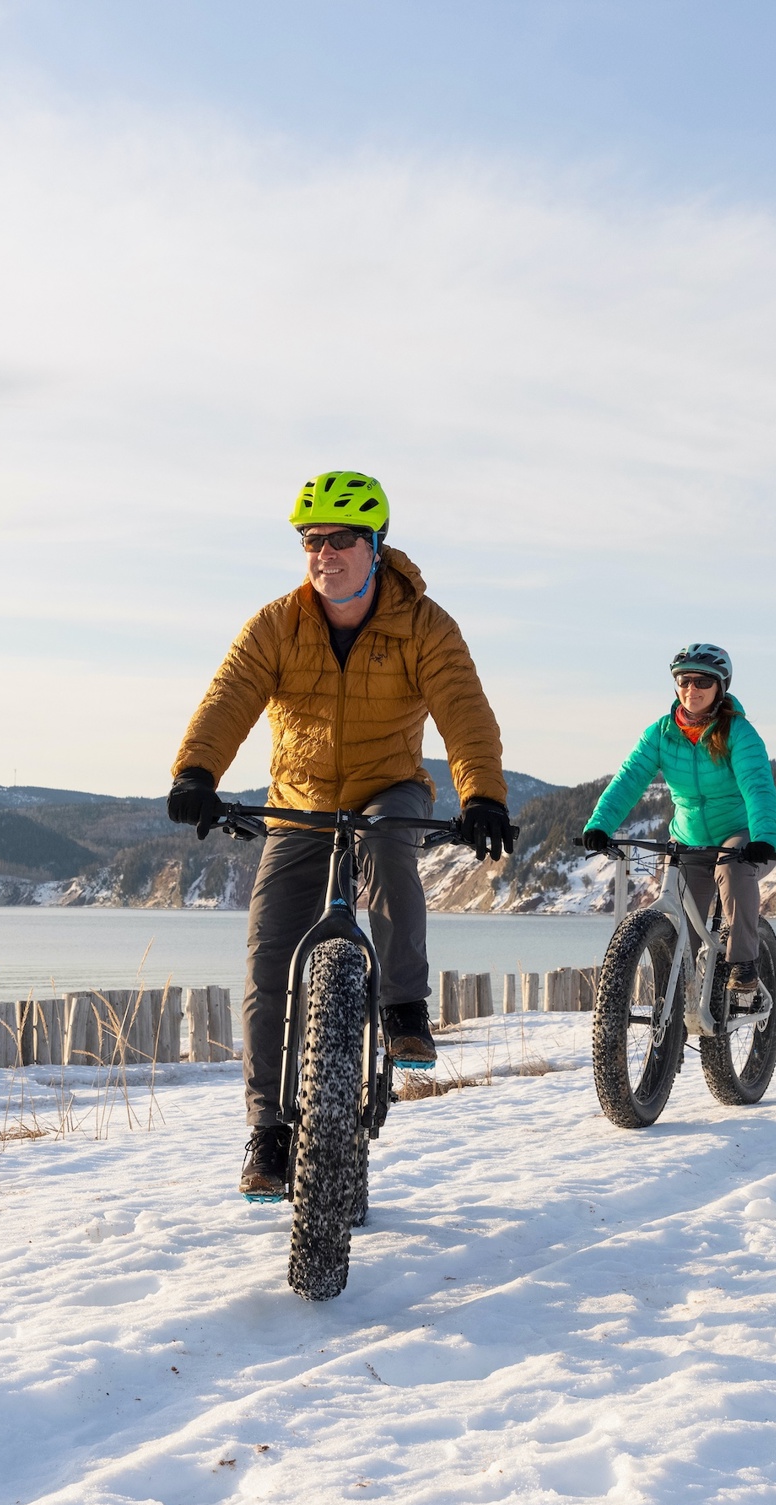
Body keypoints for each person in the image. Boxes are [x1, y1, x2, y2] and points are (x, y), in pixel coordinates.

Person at [167, 469, 513, 1197]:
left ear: (376, 546)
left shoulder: (423, 624)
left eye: (340, 540)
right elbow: (229, 695)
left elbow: (464, 712)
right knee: (268, 958)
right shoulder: (276, 624)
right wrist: (196, 772)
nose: (323, 554)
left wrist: (480, 795)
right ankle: (268, 1129)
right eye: (311, 541)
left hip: (388, 787)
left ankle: (403, 1006)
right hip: (299, 801)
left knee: (390, 844)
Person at [582, 642, 776, 994]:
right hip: (688, 838)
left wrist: (764, 837)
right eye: (684, 680)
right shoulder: (660, 733)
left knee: (732, 870)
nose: (692, 689)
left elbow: (758, 787)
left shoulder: (739, 733)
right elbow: (628, 781)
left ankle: (744, 962)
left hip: (738, 834)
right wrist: (599, 825)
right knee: (681, 940)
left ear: (720, 687)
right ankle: (674, 1011)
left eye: (702, 682)